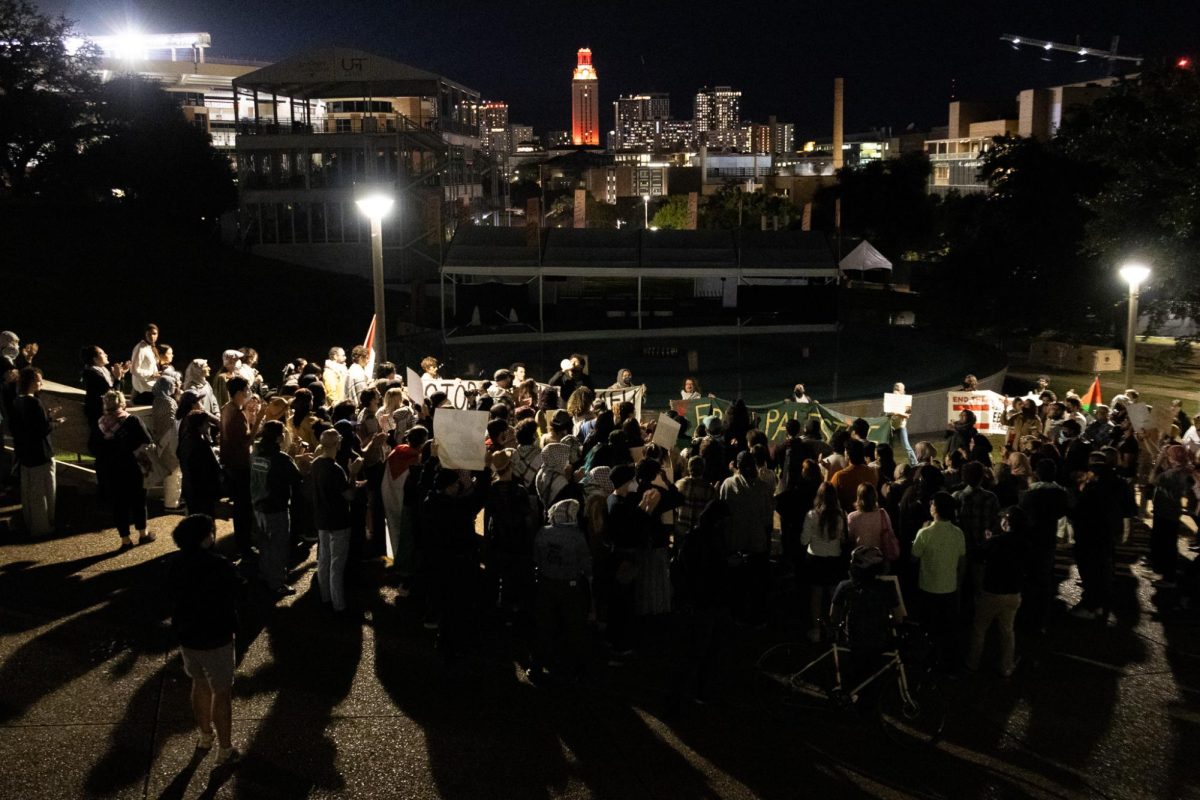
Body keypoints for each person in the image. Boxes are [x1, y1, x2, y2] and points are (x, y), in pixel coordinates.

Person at [168, 514, 244, 764]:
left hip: (188, 637)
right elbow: (238, 589)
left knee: (199, 683)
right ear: (205, 538)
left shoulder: (174, 564)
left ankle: (204, 736)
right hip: (216, 636)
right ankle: (225, 749)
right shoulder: (219, 565)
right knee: (221, 692)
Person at [530, 498, 593, 683]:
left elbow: (536, 558)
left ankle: (537, 665)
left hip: (546, 583)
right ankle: (571, 669)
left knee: (544, 626)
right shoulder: (577, 536)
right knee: (572, 628)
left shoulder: (543, 532)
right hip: (570, 586)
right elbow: (586, 565)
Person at [966, 506, 1031, 677]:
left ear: (1007, 522)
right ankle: (1006, 666)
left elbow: (978, 555)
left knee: (980, 628)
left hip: (993, 591)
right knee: (1007, 630)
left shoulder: (997, 541)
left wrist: (988, 540)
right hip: (1014, 593)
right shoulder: (1025, 543)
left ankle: (972, 663)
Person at [911, 491, 966, 670]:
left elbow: (914, 557)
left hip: (928, 587)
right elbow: (962, 561)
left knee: (929, 628)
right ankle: (946, 663)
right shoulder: (958, 533)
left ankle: (929, 661)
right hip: (949, 587)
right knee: (947, 629)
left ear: (936, 509)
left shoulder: (925, 533)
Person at [720, 450, 774, 625]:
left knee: (737, 584)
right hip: (757, 543)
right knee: (757, 584)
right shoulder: (764, 488)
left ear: (738, 466)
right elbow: (767, 518)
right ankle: (757, 617)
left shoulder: (728, 485)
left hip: (735, 542)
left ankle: (737, 616)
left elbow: (722, 515)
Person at [250, 420, 303, 595]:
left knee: (264, 544)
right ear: (279, 437)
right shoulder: (281, 458)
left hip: (258, 505)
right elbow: (296, 478)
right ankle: (277, 582)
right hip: (276, 507)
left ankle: (265, 574)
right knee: (278, 546)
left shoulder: (256, 452)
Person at [95, 391, 154, 549]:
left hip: (111, 469)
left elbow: (94, 447)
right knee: (138, 500)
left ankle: (125, 540)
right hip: (133, 466)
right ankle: (143, 534)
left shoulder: (101, 424)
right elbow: (147, 439)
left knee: (118, 504)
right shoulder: (132, 420)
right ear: (122, 403)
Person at [312, 428, 359, 612]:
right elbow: (349, 496)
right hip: (338, 521)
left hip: (322, 519)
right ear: (338, 444)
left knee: (323, 560)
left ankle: (325, 597)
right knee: (336, 564)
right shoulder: (336, 469)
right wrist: (353, 473)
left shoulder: (316, 463)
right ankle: (339, 605)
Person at [10, 367, 58, 536]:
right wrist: (53, 422)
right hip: (41, 452)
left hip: (26, 453)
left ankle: (32, 523)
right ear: (31, 383)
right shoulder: (34, 402)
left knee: (30, 490)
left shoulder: (17, 401)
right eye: (39, 381)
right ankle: (44, 526)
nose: (41, 384)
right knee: (45, 490)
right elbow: (42, 428)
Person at [220, 376, 262, 559]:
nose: (248, 393)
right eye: (246, 390)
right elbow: (247, 440)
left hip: (230, 463)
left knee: (240, 504)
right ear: (239, 392)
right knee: (244, 506)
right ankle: (244, 545)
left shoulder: (226, 408)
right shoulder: (236, 414)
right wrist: (259, 420)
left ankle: (242, 541)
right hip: (240, 464)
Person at [801, 481, 849, 641]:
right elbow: (842, 539)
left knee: (816, 596)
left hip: (815, 558)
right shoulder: (840, 516)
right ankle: (833, 628)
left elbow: (803, 540)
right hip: (833, 559)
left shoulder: (811, 515)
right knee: (833, 596)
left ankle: (816, 629)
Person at [953, 461, 1001, 599]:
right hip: (982, 547)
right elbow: (994, 525)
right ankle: (978, 615)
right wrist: (987, 540)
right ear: (981, 477)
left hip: (962, 547)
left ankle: (957, 613)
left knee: (958, 585)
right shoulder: (991, 497)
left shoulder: (958, 496)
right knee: (979, 587)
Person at [81, 346, 130, 452]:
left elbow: (118, 393)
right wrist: (117, 378)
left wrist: (121, 375)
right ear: (94, 359)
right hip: (98, 413)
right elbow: (112, 395)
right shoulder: (92, 374)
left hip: (105, 412)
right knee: (103, 445)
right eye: (102, 353)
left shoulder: (102, 371)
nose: (106, 354)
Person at [178, 409, 222, 518]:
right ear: (200, 426)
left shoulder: (185, 439)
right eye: (206, 423)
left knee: (193, 518)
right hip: (202, 490)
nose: (208, 426)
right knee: (205, 521)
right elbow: (213, 468)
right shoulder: (200, 445)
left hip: (189, 488)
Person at [847, 482, 898, 561]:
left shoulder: (852, 517)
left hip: (860, 557)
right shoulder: (882, 513)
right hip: (879, 555)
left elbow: (850, 537)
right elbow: (889, 532)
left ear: (859, 498)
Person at [674, 455, 715, 542]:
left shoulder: (679, 484)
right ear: (703, 469)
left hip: (681, 529)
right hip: (699, 532)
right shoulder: (709, 489)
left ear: (689, 469)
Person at [830, 439, 877, 513]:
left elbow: (827, 494)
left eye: (845, 451)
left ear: (848, 455)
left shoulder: (839, 476)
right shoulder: (872, 472)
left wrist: (827, 471)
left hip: (849, 517)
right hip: (870, 513)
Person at [130, 323, 161, 404]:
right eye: (149, 334)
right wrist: (152, 374)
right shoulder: (140, 348)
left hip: (151, 387)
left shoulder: (149, 348)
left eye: (154, 334)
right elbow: (134, 369)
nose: (152, 336)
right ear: (145, 334)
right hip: (144, 391)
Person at [887, 382, 917, 464]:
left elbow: (907, 415)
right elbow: (887, 413)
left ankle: (914, 463)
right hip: (890, 426)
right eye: (896, 389)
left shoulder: (906, 400)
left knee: (906, 446)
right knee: (889, 448)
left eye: (899, 389)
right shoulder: (890, 399)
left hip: (901, 426)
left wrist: (897, 413)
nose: (896, 391)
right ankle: (889, 464)